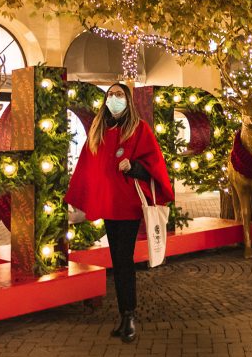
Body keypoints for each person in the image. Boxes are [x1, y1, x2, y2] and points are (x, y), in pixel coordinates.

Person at [66, 82, 172, 343]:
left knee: (123, 260)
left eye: (119, 95)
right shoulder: (99, 131)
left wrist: (133, 166)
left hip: (128, 206)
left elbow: (154, 165)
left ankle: (129, 317)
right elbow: (88, 166)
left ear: (128, 100)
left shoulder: (139, 130)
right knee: (118, 258)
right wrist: (82, 197)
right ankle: (126, 316)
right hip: (109, 206)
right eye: (110, 95)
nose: (114, 99)